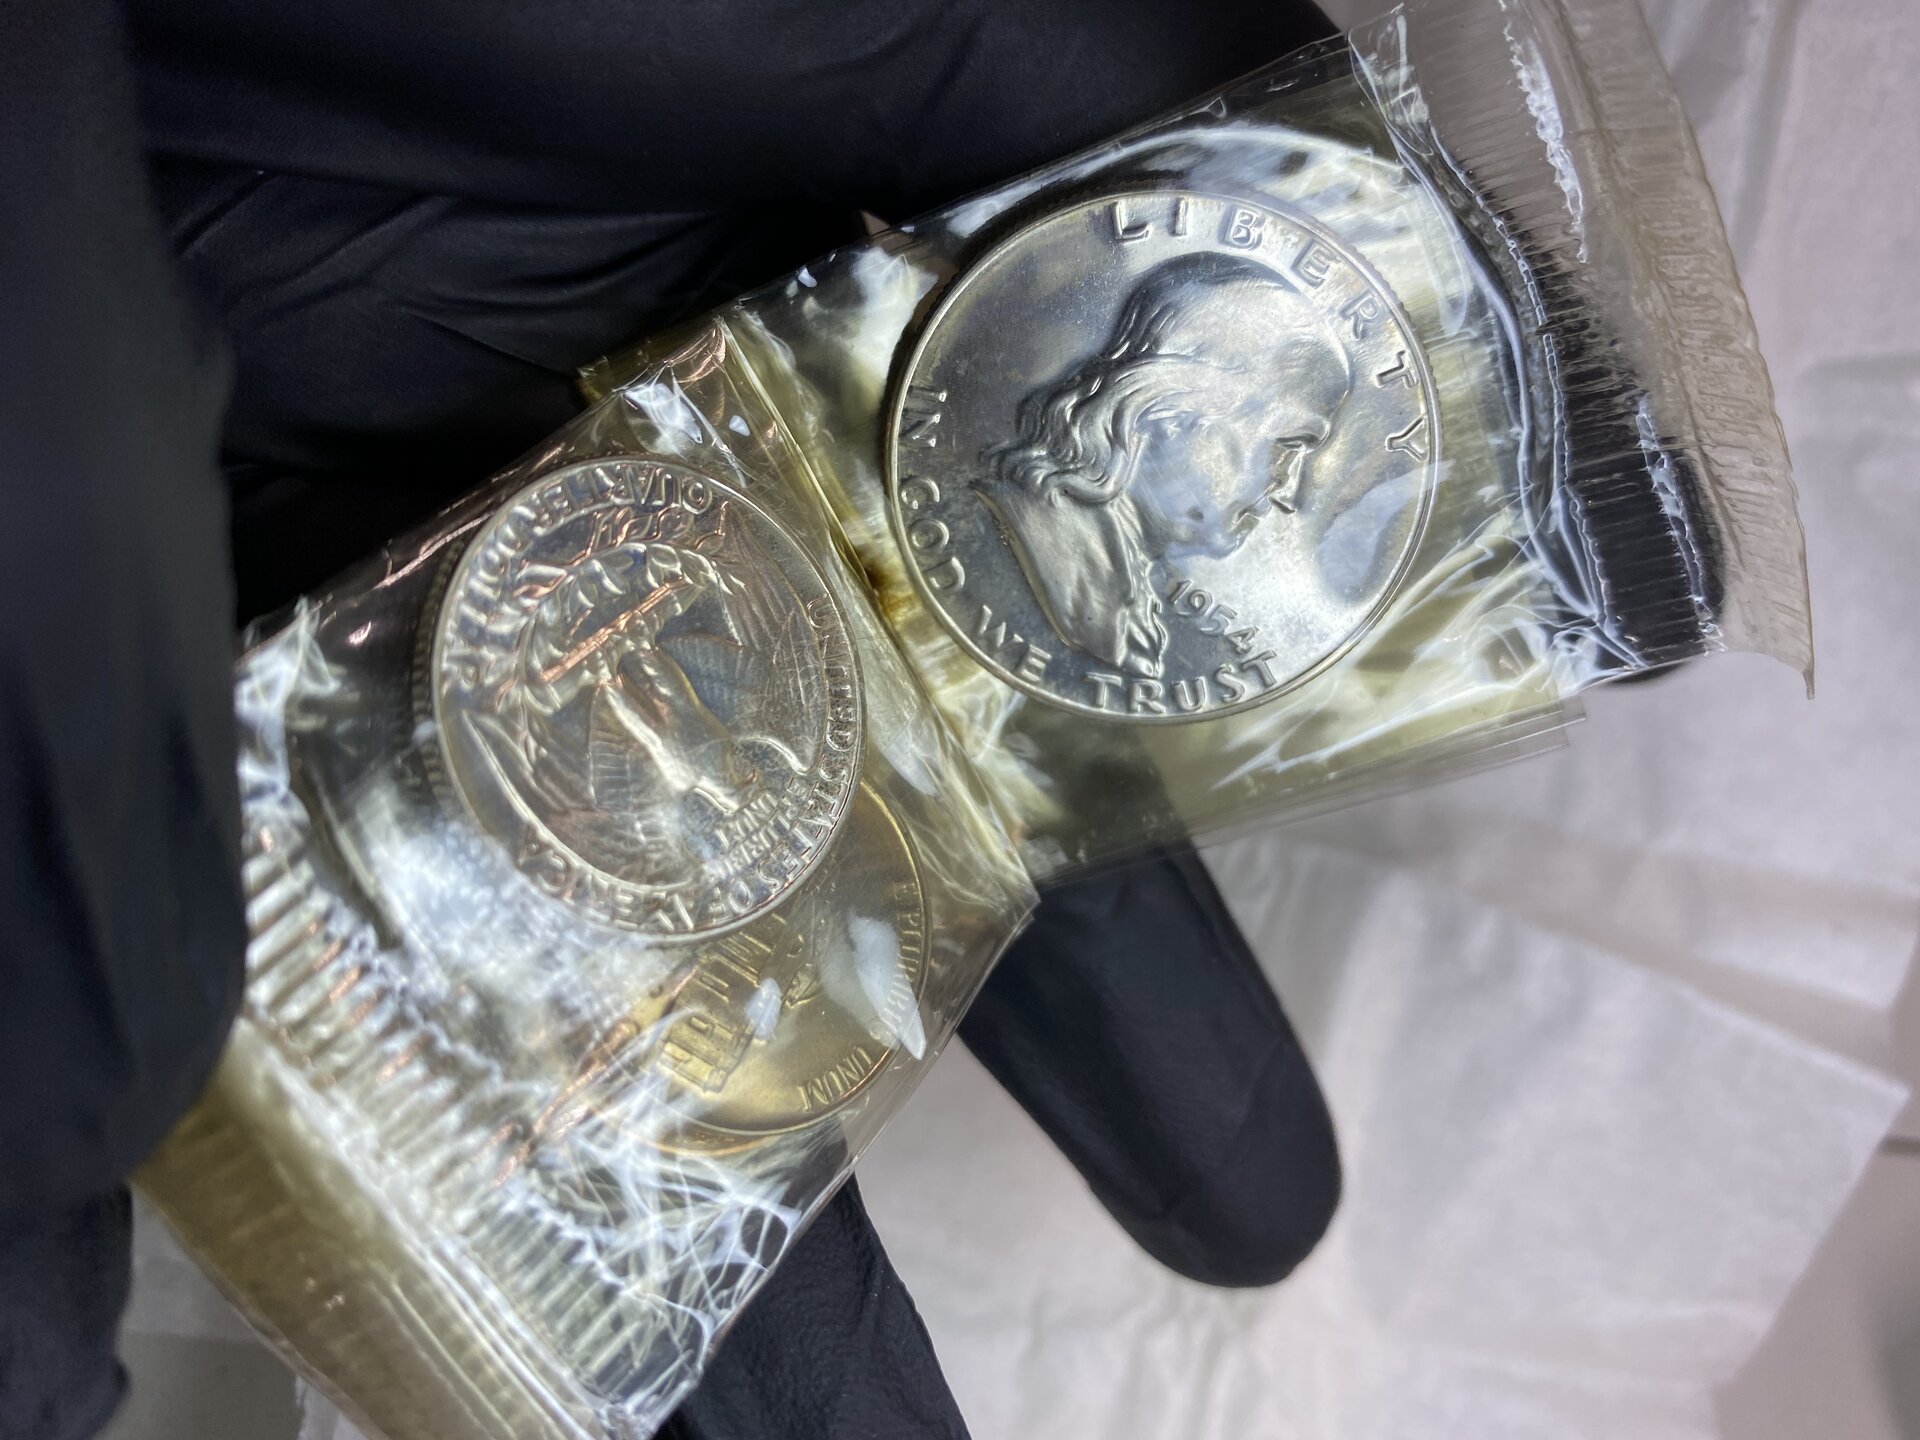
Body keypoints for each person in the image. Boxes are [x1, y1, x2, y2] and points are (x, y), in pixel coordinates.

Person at [0, 2, 1343, 1437]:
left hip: (603, 269)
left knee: (1242, 1164)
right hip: (300, 543)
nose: (1284, 492)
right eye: (1280, 447)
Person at [984, 252, 1355, 678]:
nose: (1289, 490)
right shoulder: (1041, 544)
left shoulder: (1123, 586)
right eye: (1286, 445)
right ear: (1168, 411)